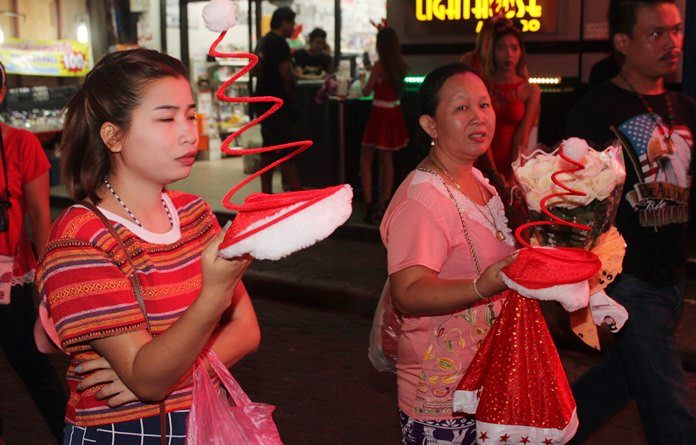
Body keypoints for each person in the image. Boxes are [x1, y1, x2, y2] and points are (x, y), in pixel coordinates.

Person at [34, 49, 260, 444]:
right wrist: (216, 292)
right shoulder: (80, 238)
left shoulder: (194, 214)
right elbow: (148, 379)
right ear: (113, 135)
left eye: (190, 114)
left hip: (202, 424)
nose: (189, 132)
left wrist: (185, 373)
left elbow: (247, 329)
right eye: (166, 118)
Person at [565, 1, 696, 443]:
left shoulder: (684, 107)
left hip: (673, 277)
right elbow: (572, 197)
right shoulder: (596, 109)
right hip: (630, 281)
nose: (672, 42)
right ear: (623, 42)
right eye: (656, 33)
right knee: (671, 413)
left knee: (616, 384)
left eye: (676, 31)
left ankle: (545, 432)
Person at [380, 63, 516, 444]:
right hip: (443, 396)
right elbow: (407, 291)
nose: (479, 118)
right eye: (461, 108)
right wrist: (481, 286)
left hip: (484, 381)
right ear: (430, 126)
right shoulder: (423, 199)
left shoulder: (477, 180)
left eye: (484, 105)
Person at [0, 61, 67, 444]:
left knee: (34, 368)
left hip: (12, 275)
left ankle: (71, 436)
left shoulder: (21, 144)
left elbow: (42, 215)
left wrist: (48, 280)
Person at [480, 18, 540, 189]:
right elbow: (480, 131)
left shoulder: (530, 90)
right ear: (493, 52)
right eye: (502, 48)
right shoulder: (482, 86)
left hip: (513, 163)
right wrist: (492, 171)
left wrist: (513, 173)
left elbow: (523, 135)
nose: (509, 54)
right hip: (482, 160)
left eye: (514, 48)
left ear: (521, 52)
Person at [360, 26, 409, 224]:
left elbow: (365, 91)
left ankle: (369, 203)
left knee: (366, 159)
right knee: (386, 160)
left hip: (378, 114)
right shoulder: (400, 66)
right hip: (393, 113)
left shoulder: (379, 66)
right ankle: (385, 201)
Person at [254, 6, 301, 194]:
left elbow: (255, 69)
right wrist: (292, 98)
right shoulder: (280, 44)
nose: (293, 27)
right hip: (278, 104)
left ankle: (265, 193)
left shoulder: (262, 41)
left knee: (269, 149)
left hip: (263, 102)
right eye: (292, 23)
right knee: (286, 149)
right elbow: (286, 74)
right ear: (284, 22)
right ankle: (297, 194)